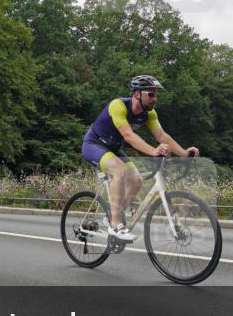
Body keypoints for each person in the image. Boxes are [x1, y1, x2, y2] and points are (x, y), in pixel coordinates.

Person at [81, 75, 198, 242]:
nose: (155, 98)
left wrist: (184, 153)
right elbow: (128, 136)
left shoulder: (149, 114)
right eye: (150, 94)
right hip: (94, 144)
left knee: (136, 181)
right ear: (137, 94)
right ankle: (115, 225)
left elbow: (161, 136)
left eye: (156, 95)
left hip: (113, 148)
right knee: (119, 171)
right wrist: (153, 151)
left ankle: (113, 216)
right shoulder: (118, 106)